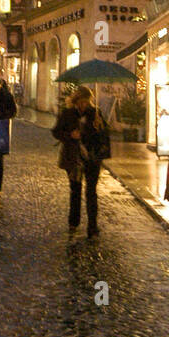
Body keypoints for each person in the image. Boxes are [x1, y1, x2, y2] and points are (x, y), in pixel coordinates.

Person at [52, 87, 110, 239]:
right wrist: (70, 135)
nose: (84, 105)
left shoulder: (95, 114)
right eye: (81, 102)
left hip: (92, 157)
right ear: (76, 101)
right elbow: (56, 132)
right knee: (75, 190)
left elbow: (104, 136)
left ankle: (92, 227)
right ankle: (73, 222)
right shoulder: (68, 113)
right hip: (74, 158)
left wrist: (99, 128)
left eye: (87, 102)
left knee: (91, 192)